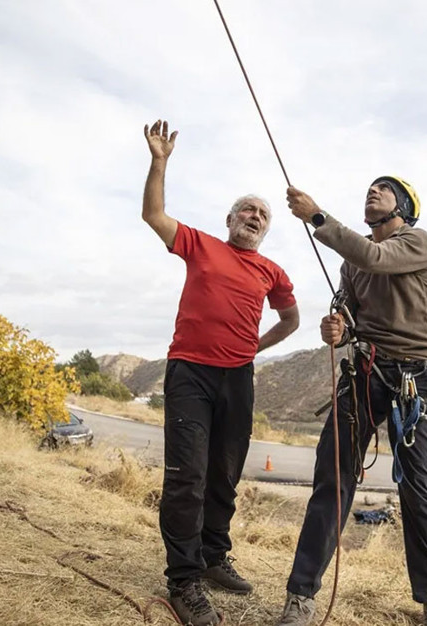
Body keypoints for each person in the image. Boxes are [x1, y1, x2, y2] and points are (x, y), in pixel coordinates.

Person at [142, 119, 300, 626]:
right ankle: (184, 579)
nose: (255, 216)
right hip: (190, 371)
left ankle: (213, 557)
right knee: (186, 475)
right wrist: (160, 161)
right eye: (248, 210)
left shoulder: (271, 271)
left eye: (263, 215)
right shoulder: (200, 244)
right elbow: (153, 214)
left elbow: (291, 319)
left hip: (238, 378)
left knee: (223, 476)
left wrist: (257, 345)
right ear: (230, 218)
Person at [276, 177, 427, 626]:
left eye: (385, 189)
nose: (373, 192)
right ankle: (301, 596)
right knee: (332, 477)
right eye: (370, 189)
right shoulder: (351, 264)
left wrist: (317, 216)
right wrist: (338, 330)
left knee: (418, 488)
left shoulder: (415, 241)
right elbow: (350, 315)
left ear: (404, 206)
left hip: (413, 378)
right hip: (365, 373)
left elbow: (373, 256)